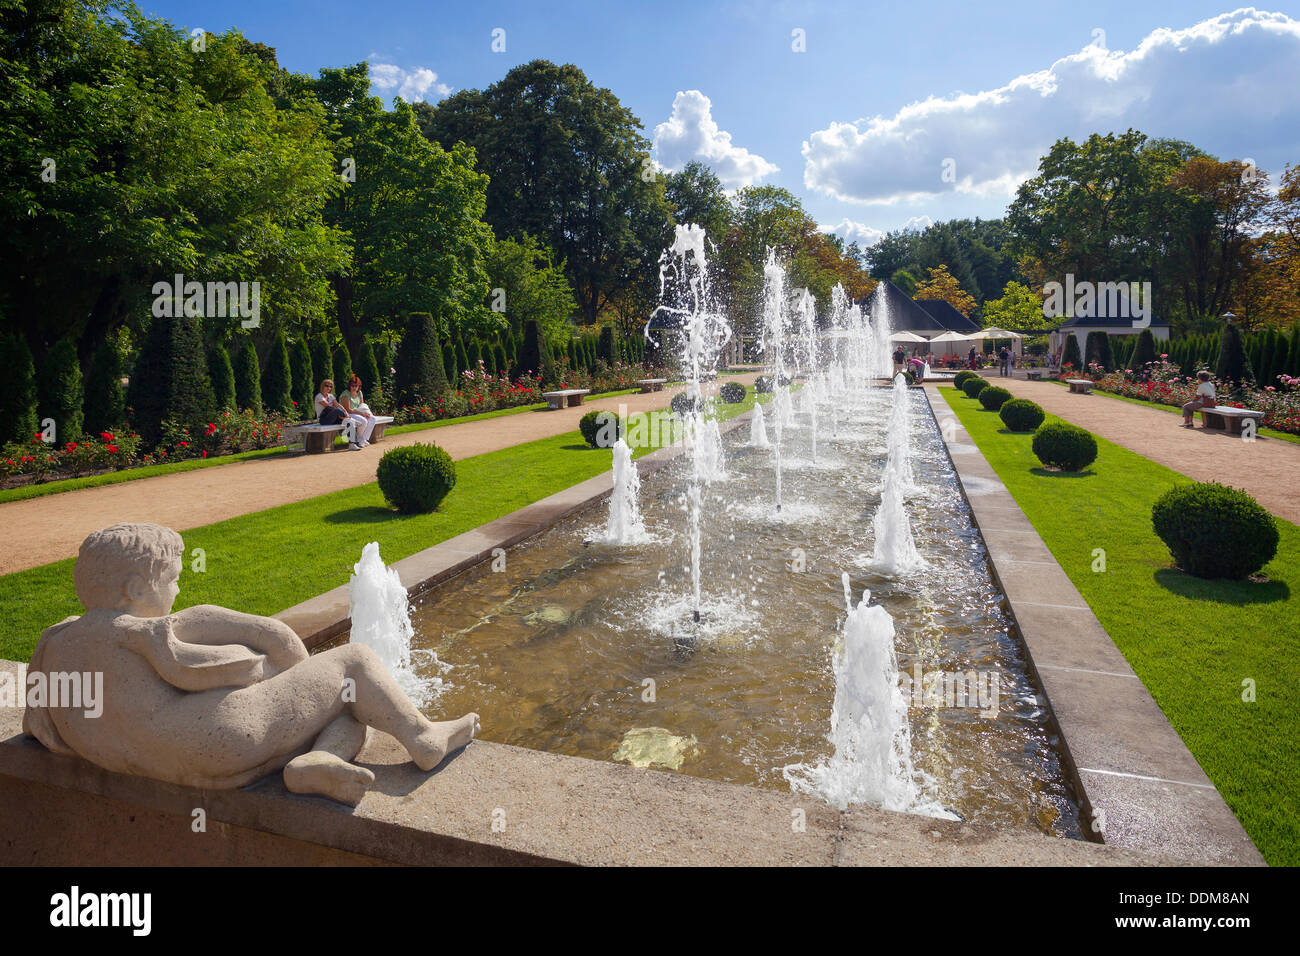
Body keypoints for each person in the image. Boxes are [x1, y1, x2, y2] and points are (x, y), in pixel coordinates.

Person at [22, 523, 480, 805]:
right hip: (222, 740)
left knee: (342, 704)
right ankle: (424, 739)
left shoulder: (55, 641)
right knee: (355, 665)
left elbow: (37, 724)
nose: (179, 591)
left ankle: (319, 758)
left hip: (165, 767)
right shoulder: (146, 630)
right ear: (137, 590)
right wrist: (277, 674)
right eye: (175, 580)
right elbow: (202, 665)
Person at [314, 379, 361, 451]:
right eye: (327, 386)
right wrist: (342, 415)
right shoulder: (319, 397)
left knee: (349, 422)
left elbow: (338, 405)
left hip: (334, 417)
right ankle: (348, 418)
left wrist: (346, 412)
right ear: (322, 386)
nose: (328, 388)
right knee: (337, 411)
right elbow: (329, 407)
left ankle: (352, 444)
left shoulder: (331, 396)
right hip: (324, 419)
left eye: (330, 387)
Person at [339, 375, 376, 448]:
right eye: (352, 386)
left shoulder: (359, 393)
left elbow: (362, 405)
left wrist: (365, 413)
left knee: (372, 419)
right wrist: (362, 414)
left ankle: (363, 439)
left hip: (357, 412)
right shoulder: (345, 394)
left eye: (356, 386)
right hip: (347, 413)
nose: (354, 387)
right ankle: (359, 439)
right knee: (363, 421)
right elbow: (348, 409)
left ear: (359, 386)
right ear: (349, 385)